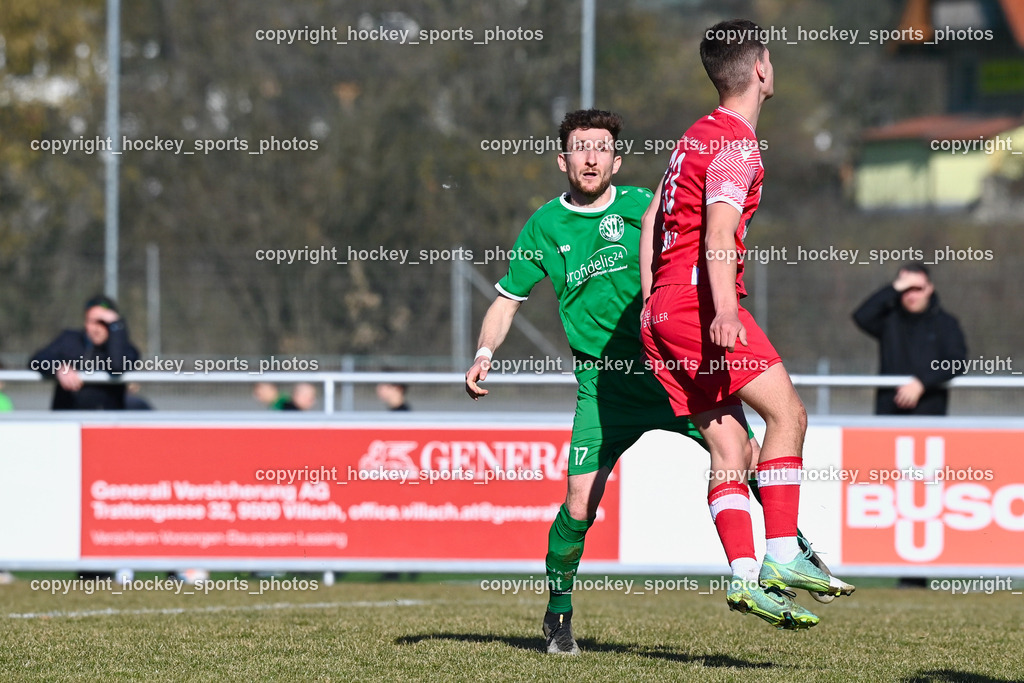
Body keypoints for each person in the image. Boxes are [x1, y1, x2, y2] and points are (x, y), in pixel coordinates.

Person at [466, 109, 849, 654]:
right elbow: (508, 300)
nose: (592, 157)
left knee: (741, 448)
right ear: (563, 159)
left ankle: (782, 556)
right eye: (580, 147)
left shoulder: (646, 206)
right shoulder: (543, 226)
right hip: (604, 387)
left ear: (617, 160)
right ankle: (557, 614)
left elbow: (699, 238)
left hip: (668, 364)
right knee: (579, 506)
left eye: (602, 148)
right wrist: (484, 352)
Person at [640, 20, 838, 630]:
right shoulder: (737, 142)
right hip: (701, 306)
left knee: (732, 445)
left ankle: (745, 577)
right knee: (788, 417)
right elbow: (720, 233)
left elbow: (652, 219)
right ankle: (782, 558)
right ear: (761, 68)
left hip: (662, 311)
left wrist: (656, 301)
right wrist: (722, 308)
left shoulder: (692, 136)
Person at [852, 262, 967, 415]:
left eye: (917, 288)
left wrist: (922, 383)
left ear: (930, 288)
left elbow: (957, 362)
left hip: (929, 419)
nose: (912, 295)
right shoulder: (889, 320)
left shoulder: (946, 323)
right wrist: (894, 288)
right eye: (906, 288)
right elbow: (861, 316)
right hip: (888, 417)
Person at [30, 295, 140, 410]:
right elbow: (37, 359)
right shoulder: (69, 340)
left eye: (103, 323)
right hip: (68, 422)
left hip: (107, 423)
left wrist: (117, 327)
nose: (97, 329)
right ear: (85, 322)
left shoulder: (124, 349)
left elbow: (117, 366)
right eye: (92, 322)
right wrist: (58, 367)